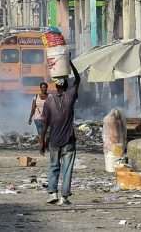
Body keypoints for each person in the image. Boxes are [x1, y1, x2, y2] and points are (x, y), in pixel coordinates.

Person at [40, 61, 81, 206]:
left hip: (54, 141)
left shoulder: (49, 101)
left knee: (53, 166)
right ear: (65, 86)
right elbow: (77, 79)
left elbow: (44, 123)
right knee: (67, 169)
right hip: (69, 141)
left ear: (56, 86)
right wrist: (69, 64)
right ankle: (64, 197)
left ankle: (52, 193)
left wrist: (42, 141)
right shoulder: (70, 97)